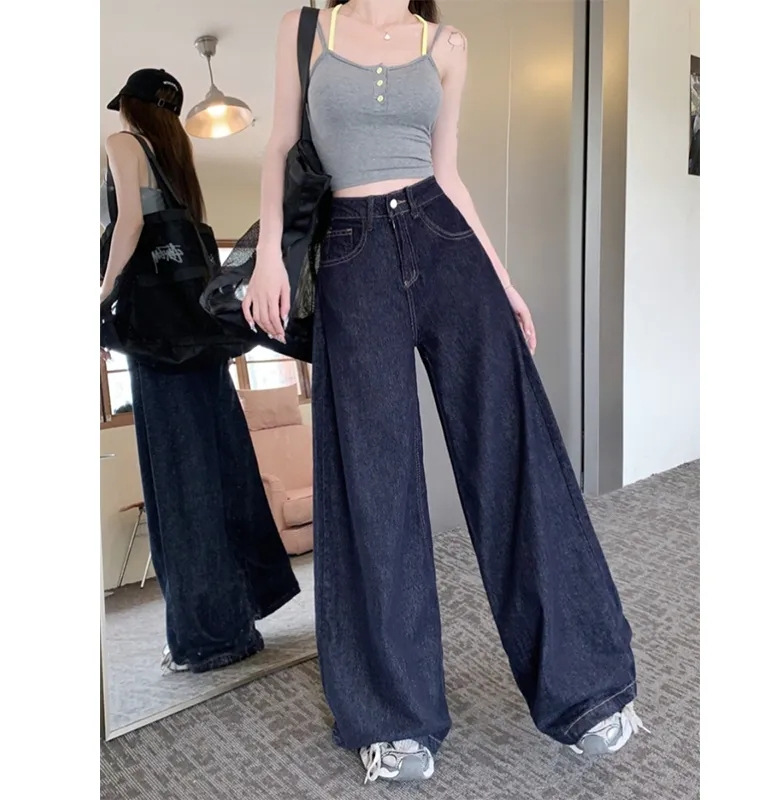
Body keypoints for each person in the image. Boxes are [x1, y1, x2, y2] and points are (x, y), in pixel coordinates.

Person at [245, 0, 646, 783]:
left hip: (445, 240)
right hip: (353, 255)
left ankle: (586, 688)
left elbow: (449, 173)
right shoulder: (307, 28)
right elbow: (281, 145)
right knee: (375, 482)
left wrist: (505, 282)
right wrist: (266, 254)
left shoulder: (448, 45)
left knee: (514, 459)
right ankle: (395, 716)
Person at [101, 68, 301, 674]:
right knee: (221, 476)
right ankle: (235, 619)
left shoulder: (122, 143)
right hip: (202, 347)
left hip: (159, 350)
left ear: (132, 108)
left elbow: (130, 224)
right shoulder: (177, 166)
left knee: (179, 490)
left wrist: (100, 293)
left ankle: (208, 636)